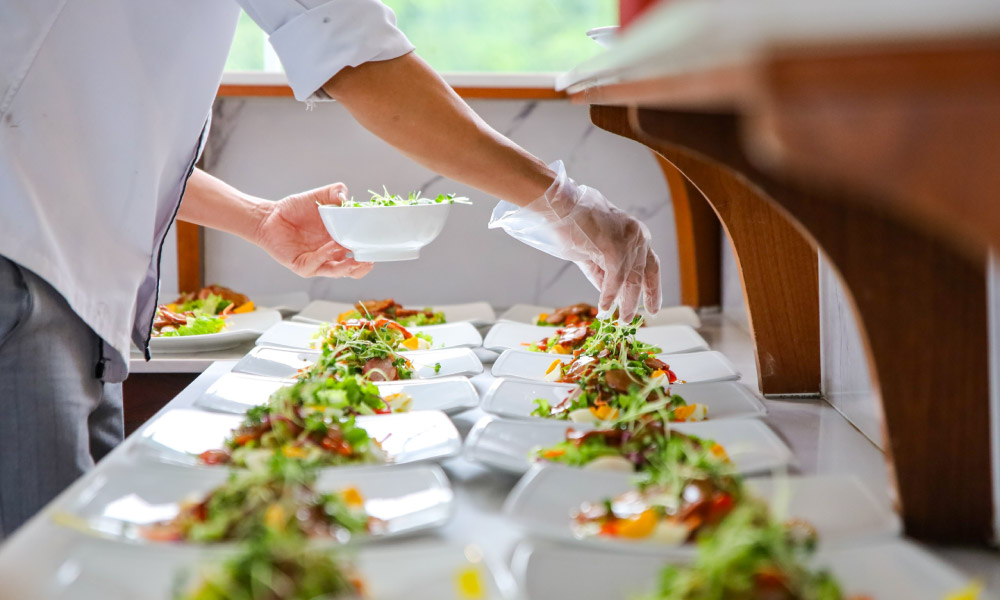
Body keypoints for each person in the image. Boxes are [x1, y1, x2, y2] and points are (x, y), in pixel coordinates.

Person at [0, 0, 661, 537]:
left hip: (66, 286)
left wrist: (259, 219)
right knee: (39, 563)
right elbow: (362, 59)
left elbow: (78, 132)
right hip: (21, 269)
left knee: (67, 551)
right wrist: (562, 200)